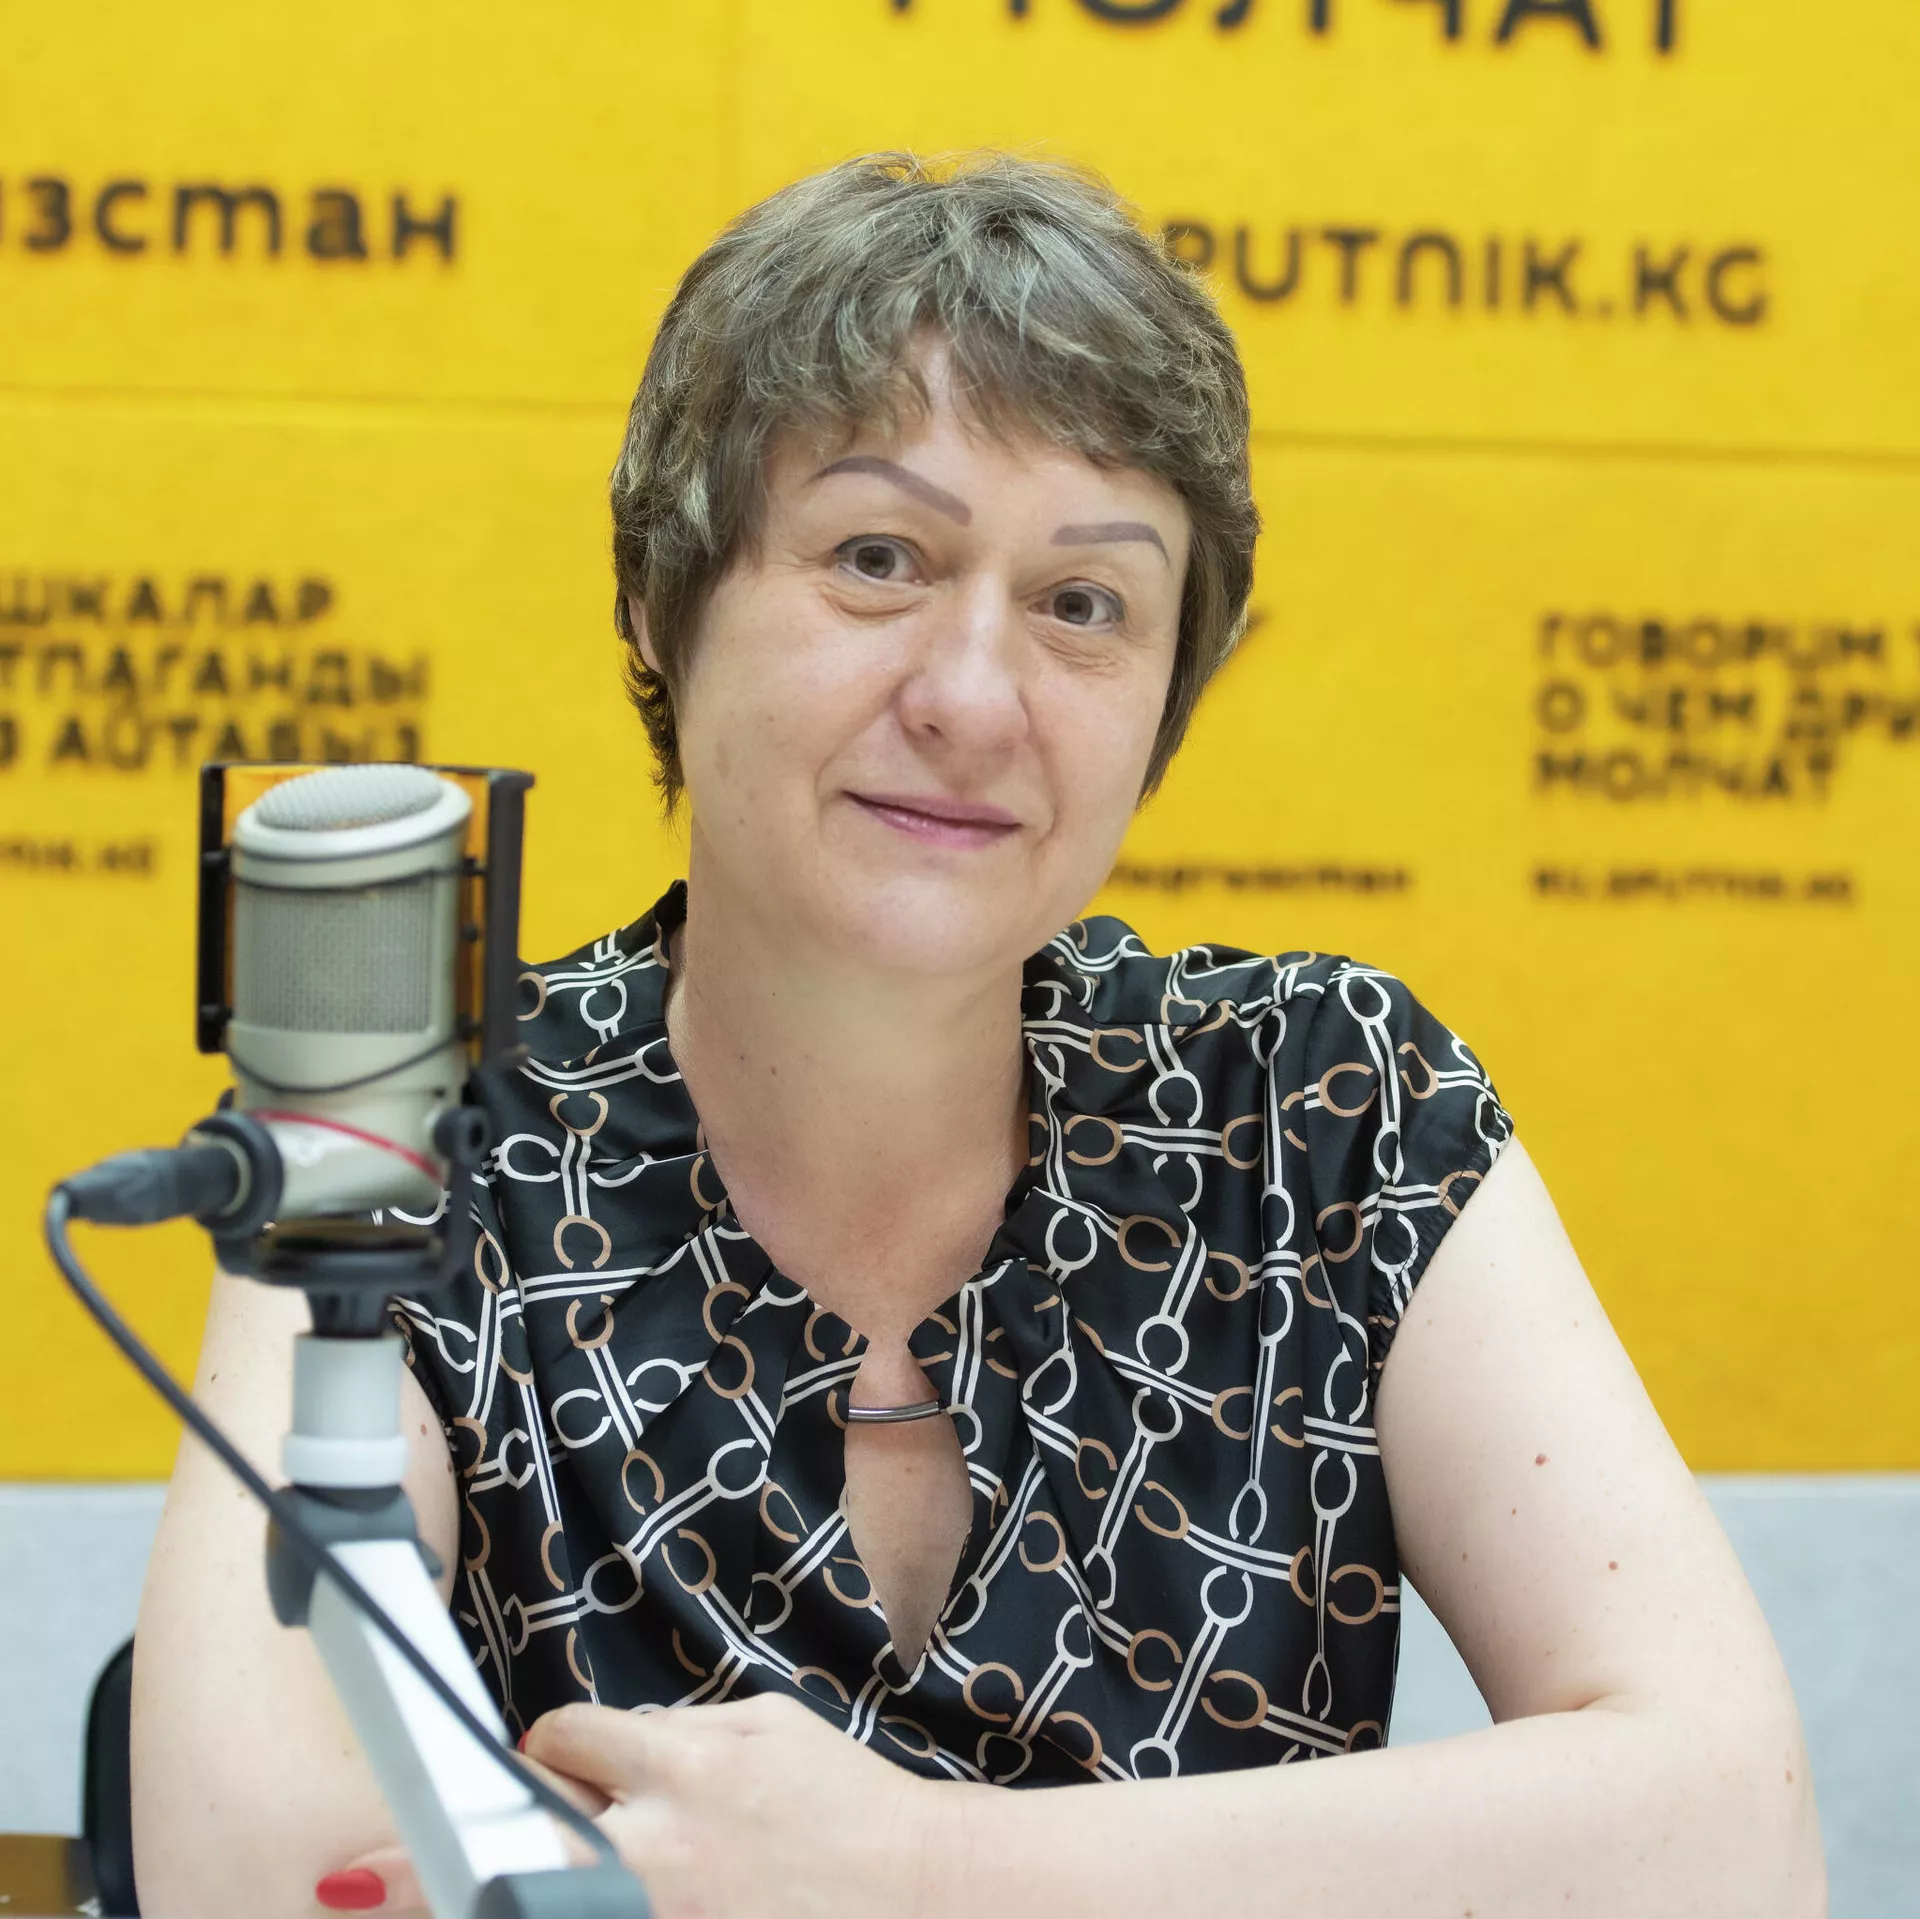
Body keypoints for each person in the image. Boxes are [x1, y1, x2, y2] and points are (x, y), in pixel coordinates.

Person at [131, 152, 1824, 1919]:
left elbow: (1732, 1835)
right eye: (878, 559)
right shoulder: (420, 1131)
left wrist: (917, 1867)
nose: (971, 697)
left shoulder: (1322, 1107)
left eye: (1084, 604)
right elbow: (253, 1872)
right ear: (660, 597)